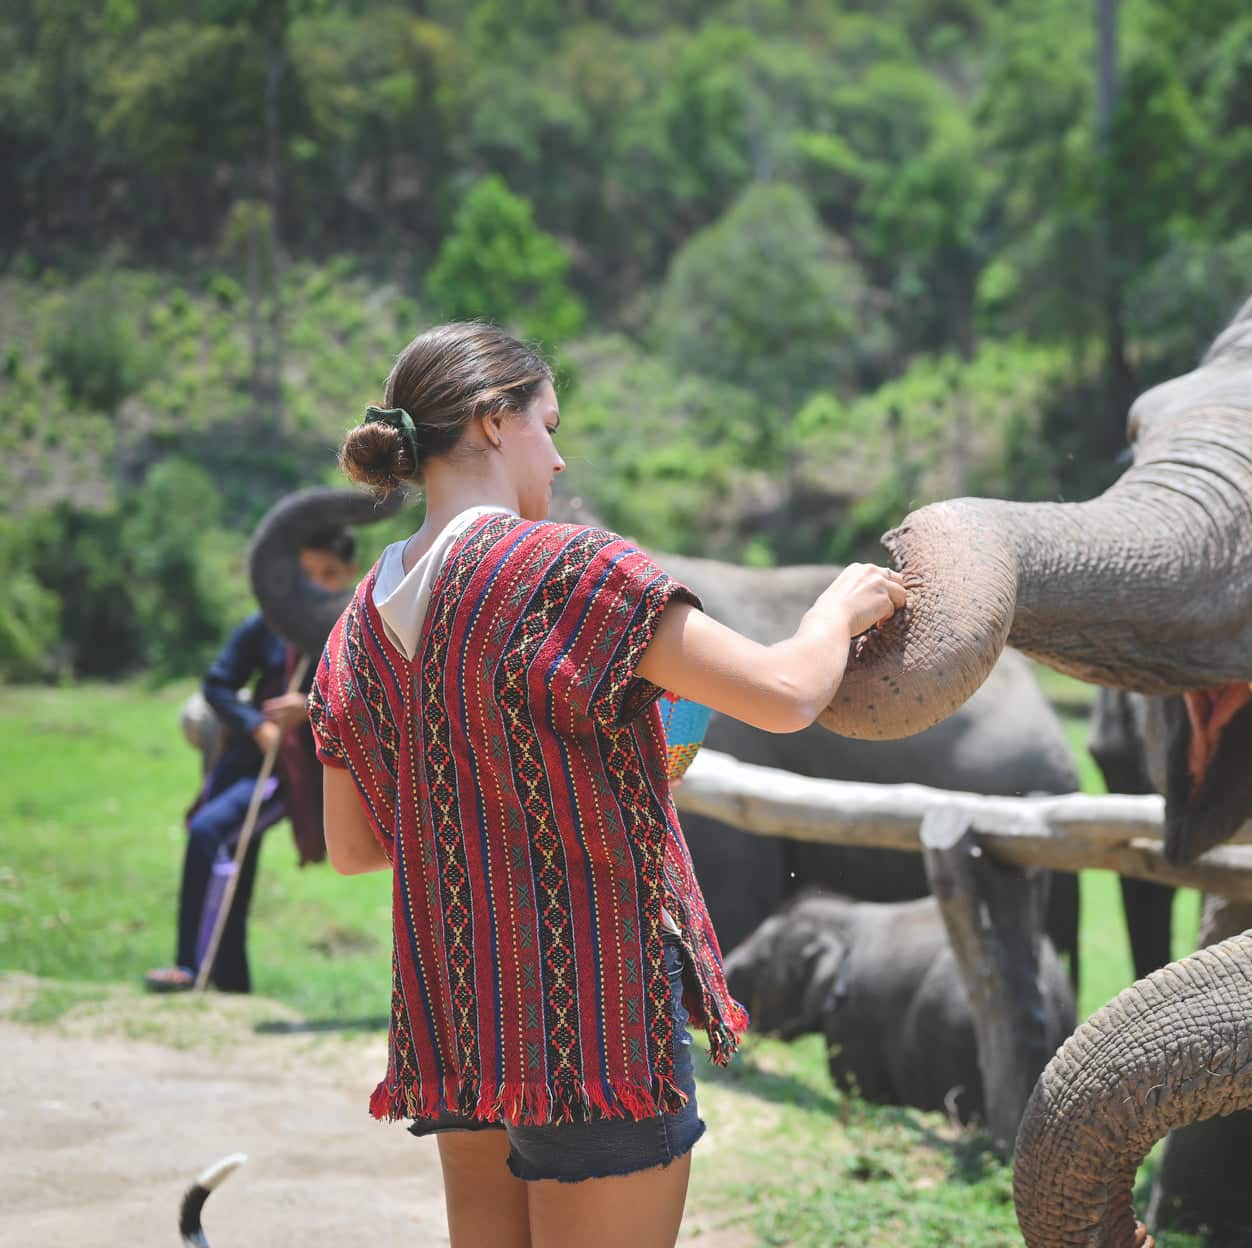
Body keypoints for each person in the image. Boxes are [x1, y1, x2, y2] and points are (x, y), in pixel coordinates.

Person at [308, 322, 904, 1248]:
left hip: (460, 1022)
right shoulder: (566, 568)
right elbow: (786, 694)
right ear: (492, 422)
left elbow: (353, 850)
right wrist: (839, 607)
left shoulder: (353, 629)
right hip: (588, 1019)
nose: (558, 452)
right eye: (548, 424)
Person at [145, 527, 360, 994]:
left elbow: (370, 701)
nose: (316, 583)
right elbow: (218, 684)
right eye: (307, 574)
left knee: (210, 833)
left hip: (298, 772)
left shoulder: (353, 631)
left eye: (329, 574)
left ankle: (189, 966)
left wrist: (308, 707)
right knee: (230, 853)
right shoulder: (267, 622)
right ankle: (227, 981)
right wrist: (256, 724)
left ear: (349, 576)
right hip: (251, 758)